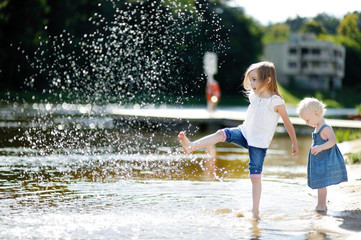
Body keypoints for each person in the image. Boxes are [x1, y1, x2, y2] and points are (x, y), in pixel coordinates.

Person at [178, 61, 299, 219]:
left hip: (259, 143)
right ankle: (192, 146)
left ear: (268, 80)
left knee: (255, 177)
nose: (251, 83)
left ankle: (255, 212)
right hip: (244, 132)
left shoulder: (275, 101)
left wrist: (295, 143)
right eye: (251, 79)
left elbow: (288, 123)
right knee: (222, 133)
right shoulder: (254, 96)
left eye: (255, 79)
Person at [297, 97, 348, 212]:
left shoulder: (325, 128)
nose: (306, 123)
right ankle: (321, 204)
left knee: (321, 184)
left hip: (324, 162)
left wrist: (320, 147)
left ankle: (321, 205)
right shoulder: (317, 127)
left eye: (307, 120)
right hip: (318, 162)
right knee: (320, 183)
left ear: (316, 114)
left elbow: (332, 141)